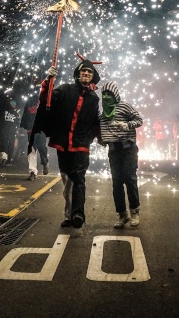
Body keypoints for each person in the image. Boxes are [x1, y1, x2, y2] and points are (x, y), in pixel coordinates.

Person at [31, 55, 101, 229]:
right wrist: (48, 80)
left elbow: (94, 122)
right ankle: (69, 215)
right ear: (78, 73)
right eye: (83, 71)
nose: (86, 73)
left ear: (93, 76)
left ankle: (78, 214)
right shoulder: (65, 90)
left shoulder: (94, 99)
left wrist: (95, 138)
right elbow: (46, 100)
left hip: (81, 145)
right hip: (62, 142)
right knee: (67, 180)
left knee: (78, 178)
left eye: (89, 71)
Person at [98, 81, 143, 228]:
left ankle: (135, 211)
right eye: (104, 94)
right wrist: (102, 139)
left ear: (115, 94)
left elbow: (139, 120)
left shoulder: (124, 106)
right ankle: (122, 214)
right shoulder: (103, 112)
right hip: (113, 150)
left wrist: (127, 125)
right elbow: (100, 128)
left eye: (109, 94)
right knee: (117, 182)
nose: (106, 96)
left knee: (130, 178)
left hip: (128, 148)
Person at [20, 93, 49, 180]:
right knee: (32, 149)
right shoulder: (30, 101)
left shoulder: (47, 100)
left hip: (41, 128)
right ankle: (33, 171)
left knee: (41, 147)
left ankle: (44, 162)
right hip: (31, 129)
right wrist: (26, 127)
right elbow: (26, 114)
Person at [0, 96, 21, 166]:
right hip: (12, 132)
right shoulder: (16, 114)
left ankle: (4, 158)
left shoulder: (3, 112)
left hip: (3, 131)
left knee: (3, 144)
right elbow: (18, 124)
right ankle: (8, 161)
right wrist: (17, 131)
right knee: (10, 146)